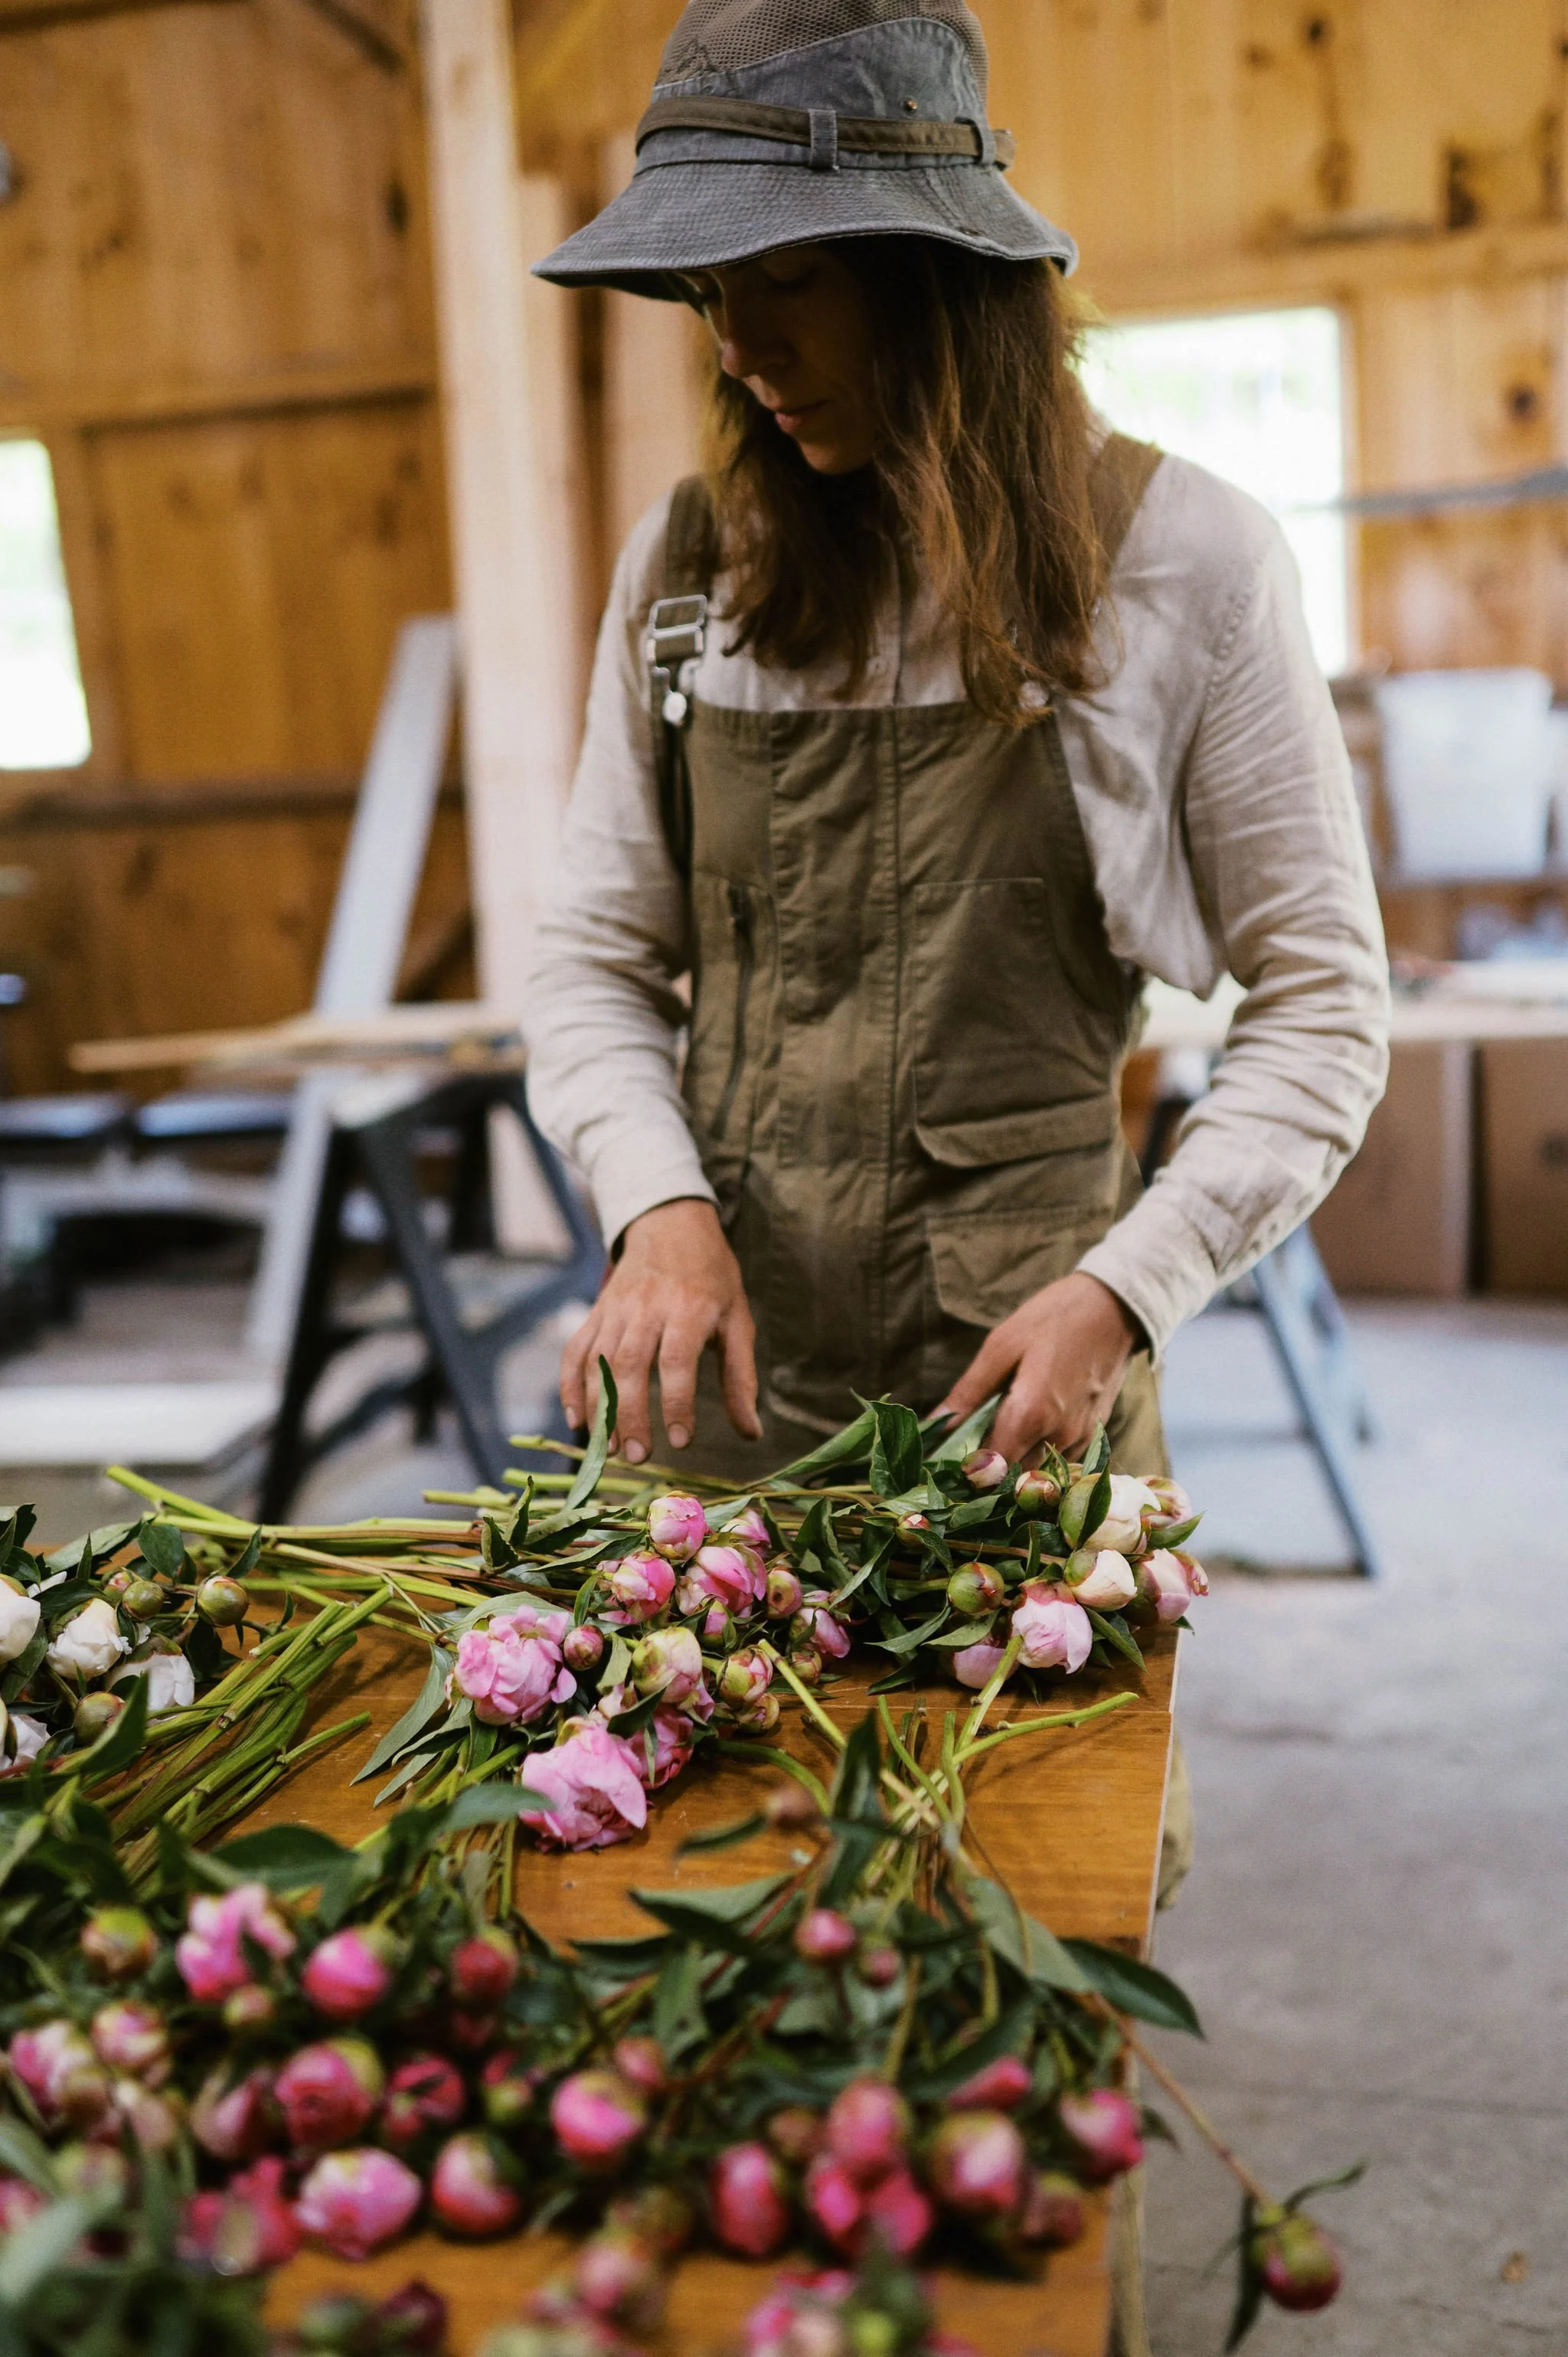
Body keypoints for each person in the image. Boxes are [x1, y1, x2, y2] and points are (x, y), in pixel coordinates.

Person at [528, 11, 1387, 2335]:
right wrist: (653, 1199)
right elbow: (589, 964)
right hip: (708, 1447)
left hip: (1011, 1453)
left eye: (777, 278)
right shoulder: (696, 576)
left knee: (1009, 2012)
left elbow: (1326, 1007)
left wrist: (1129, 1286)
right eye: (703, 292)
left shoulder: (1180, 561)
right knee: (680, 1983)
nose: (735, 340)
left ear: (929, 266)